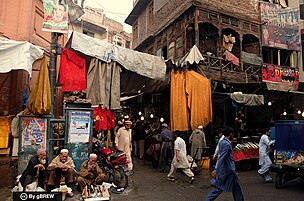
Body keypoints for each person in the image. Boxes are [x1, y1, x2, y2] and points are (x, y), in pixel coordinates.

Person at [205, 127, 244, 201]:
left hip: (228, 170)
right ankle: (208, 199)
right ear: (231, 134)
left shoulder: (222, 142)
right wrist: (216, 170)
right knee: (219, 188)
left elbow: (220, 156)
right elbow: (222, 157)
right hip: (227, 170)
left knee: (236, 187)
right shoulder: (226, 144)